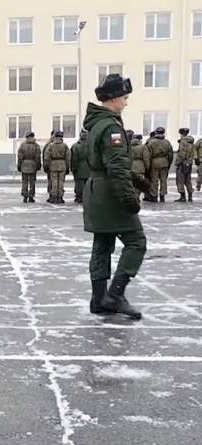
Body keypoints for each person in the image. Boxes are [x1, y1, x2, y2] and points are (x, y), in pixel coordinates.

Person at [83, 74, 149, 320]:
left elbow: (108, 164)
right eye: (124, 97)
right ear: (112, 99)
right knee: (136, 242)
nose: (126, 102)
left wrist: (136, 178)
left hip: (96, 190)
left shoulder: (97, 124)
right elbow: (116, 169)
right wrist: (130, 199)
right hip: (110, 193)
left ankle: (99, 298)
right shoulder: (111, 126)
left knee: (102, 244)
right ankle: (115, 294)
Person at [144, 126, 173, 203]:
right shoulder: (167, 142)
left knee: (154, 180)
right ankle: (162, 195)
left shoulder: (151, 142)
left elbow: (148, 155)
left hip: (154, 163)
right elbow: (170, 155)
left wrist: (148, 165)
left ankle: (154, 196)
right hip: (164, 163)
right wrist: (168, 163)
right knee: (163, 180)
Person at [44, 130, 71, 204]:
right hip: (62, 165)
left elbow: (46, 157)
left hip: (53, 165)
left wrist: (46, 166)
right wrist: (68, 167)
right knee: (61, 182)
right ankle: (60, 197)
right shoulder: (65, 146)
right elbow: (68, 158)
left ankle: (54, 197)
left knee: (54, 181)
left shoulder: (51, 145)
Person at [17, 132, 41, 203]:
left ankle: (25, 196)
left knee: (24, 181)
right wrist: (38, 165)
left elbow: (20, 157)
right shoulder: (36, 146)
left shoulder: (22, 145)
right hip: (33, 165)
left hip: (24, 165)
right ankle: (31, 196)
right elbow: (38, 157)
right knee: (32, 182)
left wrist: (19, 165)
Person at [70, 130, 91, 203]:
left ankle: (79, 197)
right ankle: (87, 197)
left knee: (79, 184)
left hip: (79, 168)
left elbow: (74, 159)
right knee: (88, 184)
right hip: (89, 167)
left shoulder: (75, 146)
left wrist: (73, 168)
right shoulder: (91, 146)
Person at [175, 128, 195, 202]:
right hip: (189, 163)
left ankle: (182, 196)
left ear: (181, 133)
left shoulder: (183, 142)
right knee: (188, 180)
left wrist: (177, 162)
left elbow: (182, 154)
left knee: (180, 180)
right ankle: (190, 196)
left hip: (183, 163)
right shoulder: (191, 141)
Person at [128, 134, 150, 201]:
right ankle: (137, 196)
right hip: (140, 166)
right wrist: (147, 167)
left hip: (131, 166)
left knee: (131, 183)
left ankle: (133, 196)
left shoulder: (128, 147)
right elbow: (146, 158)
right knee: (139, 182)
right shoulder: (143, 147)